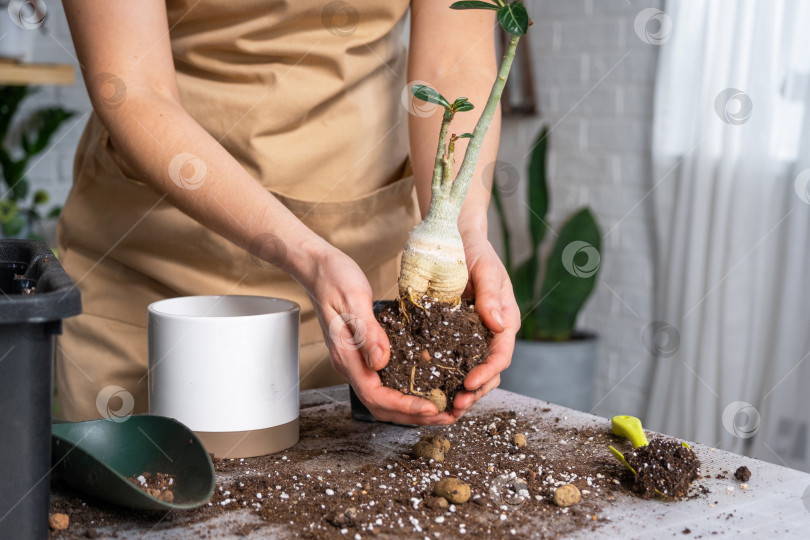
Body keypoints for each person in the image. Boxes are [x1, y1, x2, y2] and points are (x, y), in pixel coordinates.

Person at [56, 0, 519, 426]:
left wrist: (460, 234)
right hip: (157, 268)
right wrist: (309, 257)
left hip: (362, 261)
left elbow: (452, 62)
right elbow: (135, 90)